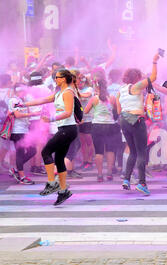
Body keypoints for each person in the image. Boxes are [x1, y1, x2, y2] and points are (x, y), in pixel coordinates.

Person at [22, 69, 79, 206]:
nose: (55, 79)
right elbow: (43, 100)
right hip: (64, 129)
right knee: (59, 160)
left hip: (68, 129)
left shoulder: (68, 92)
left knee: (45, 151)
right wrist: (24, 104)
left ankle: (52, 183)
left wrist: (50, 119)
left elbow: (68, 112)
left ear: (64, 79)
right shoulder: (59, 92)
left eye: (58, 77)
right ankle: (63, 191)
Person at [116, 52, 160, 195]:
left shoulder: (120, 90)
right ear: (136, 79)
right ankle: (142, 183)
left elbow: (118, 109)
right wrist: (154, 62)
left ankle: (127, 179)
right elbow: (153, 78)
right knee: (141, 152)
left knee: (132, 151)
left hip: (124, 120)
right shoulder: (134, 87)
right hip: (136, 120)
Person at [84, 78, 116, 182]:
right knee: (110, 150)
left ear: (97, 87)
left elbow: (85, 111)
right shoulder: (112, 97)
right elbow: (116, 110)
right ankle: (110, 173)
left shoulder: (94, 99)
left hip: (97, 125)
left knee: (99, 151)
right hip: (110, 125)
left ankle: (100, 175)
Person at [8, 83, 40, 184]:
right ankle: (21, 177)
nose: (24, 93)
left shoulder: (22, 101)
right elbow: (17, 115)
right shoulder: (13, 100)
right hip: (17, 131)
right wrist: (32, 114)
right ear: (17, 91)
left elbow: (25, 115)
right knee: (20, 152)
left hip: (24, 130)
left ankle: (17, 169)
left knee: (32, 150)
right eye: (22, 91)